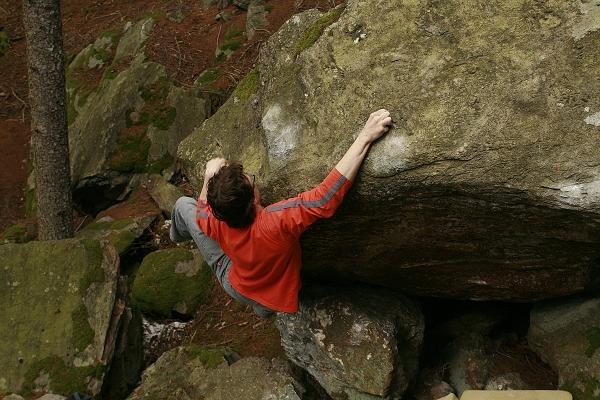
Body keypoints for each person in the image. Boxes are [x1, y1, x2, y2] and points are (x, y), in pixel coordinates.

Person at [170, 109, 393, 317]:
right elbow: (324, 199)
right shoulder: (274, 222)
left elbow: (200, 211)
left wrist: (209, 176)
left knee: (182, 205)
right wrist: (365, 137)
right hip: (266, 289)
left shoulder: (216, 220)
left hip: (239, 283)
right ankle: (264, 307)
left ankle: (175, 236)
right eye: (252, 179)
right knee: (263, 303)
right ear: (254, 198)